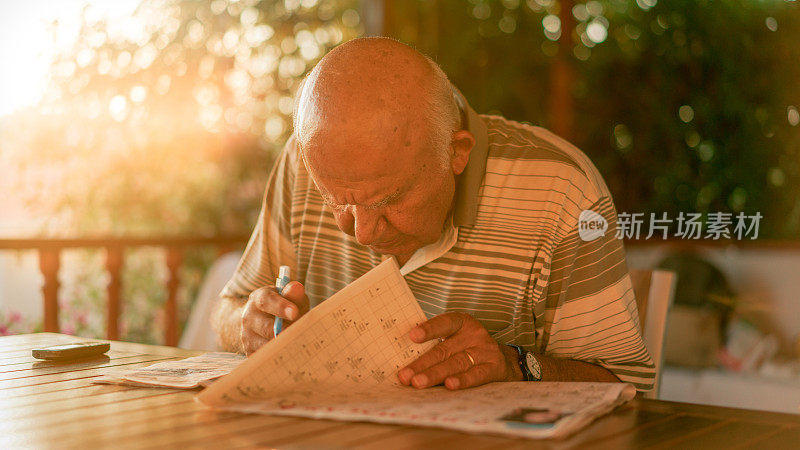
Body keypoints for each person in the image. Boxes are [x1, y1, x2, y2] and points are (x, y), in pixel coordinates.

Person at [212, 37, 655, 392]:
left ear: (457, 152)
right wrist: (247, 327)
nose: (362, 233)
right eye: (338, 202)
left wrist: (515, 363)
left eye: (387, 201)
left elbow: (625, 385)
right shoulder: (302, 162)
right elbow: (231, 309)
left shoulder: (559, 188)